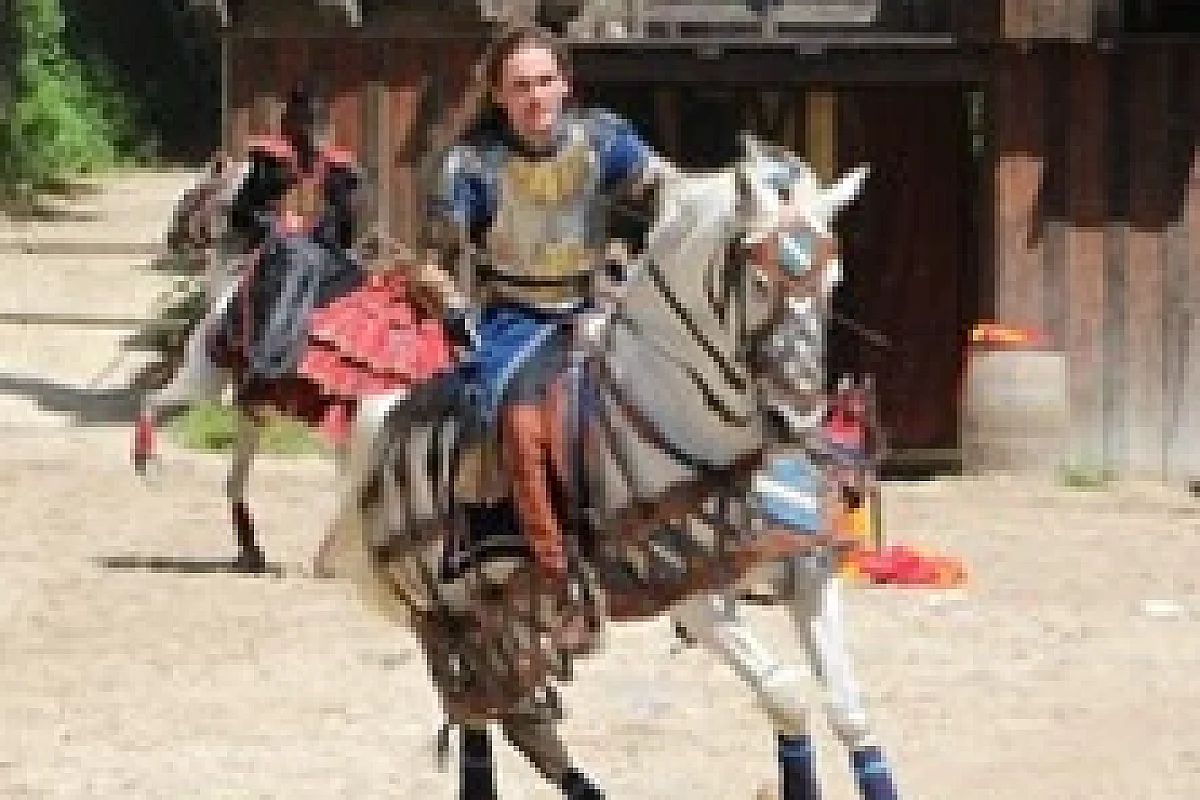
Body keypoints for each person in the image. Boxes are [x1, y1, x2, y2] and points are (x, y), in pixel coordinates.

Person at [414, 26, 659, 583]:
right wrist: (454, 308)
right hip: (515, 321)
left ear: (566, 83)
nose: (535, 96)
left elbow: (663, 191)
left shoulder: (605, 141)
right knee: (521, 430)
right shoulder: (473, 164)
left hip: (598, 307)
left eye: (546, 81)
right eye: (521, 85)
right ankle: (548, 567)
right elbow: (432, 260)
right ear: (498, 95)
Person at [209, 82, 364, 394]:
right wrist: (275, 227)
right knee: (295, 261)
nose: (311, 130)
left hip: (322, 251)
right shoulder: (270, 164)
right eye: (304, 121)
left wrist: (331, 227)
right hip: (276, 249)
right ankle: (266, 362)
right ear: (289, 124)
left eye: (317, 122)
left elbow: (347, 231)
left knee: (358, 275)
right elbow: (241, 214)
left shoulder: (337, 171)